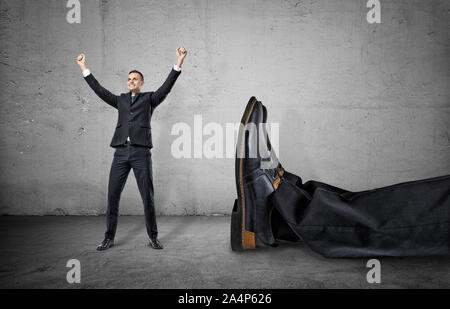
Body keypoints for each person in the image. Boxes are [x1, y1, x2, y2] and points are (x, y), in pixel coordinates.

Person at [76, 47, 187, 251]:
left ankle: (153, 237)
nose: (131, 81)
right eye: (129, 79)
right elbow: (100, 91)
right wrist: (84, 67)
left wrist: (178, 62)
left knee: (148, 197)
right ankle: (108, 238)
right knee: (112, 196)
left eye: (135, 79)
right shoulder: (120, 100)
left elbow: (167, 86)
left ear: (142, 83)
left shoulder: (150, 99)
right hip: (120, 152)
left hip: (141, 153)